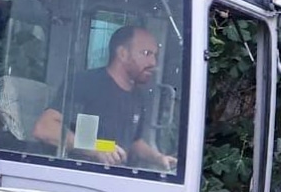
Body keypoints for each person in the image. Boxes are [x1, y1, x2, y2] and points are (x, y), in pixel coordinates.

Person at [33, 25, 177, 171]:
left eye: (155, 56)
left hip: (119, 177)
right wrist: (95, 148)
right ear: (122, 54)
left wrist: (158, 158)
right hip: (78, 175)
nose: (153, 63)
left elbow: (133, 142)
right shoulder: (85, 83)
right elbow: (44, 128)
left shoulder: (137, 96)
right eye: (146, 53)